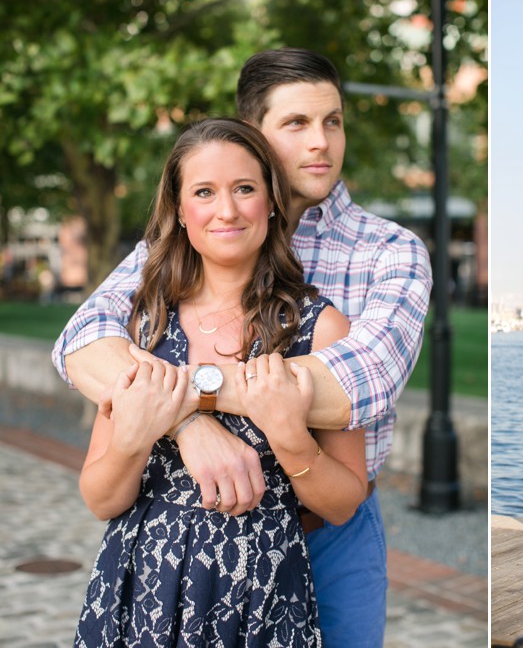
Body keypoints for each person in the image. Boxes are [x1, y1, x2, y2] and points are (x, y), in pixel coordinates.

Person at [53, 48, 433, 647]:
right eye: (297, 124)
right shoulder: (173, 256)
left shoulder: (390, 250)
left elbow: (363, 382)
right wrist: (186, 426)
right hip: (160, 552)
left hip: (325, 530)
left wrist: (180, 393)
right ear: (249, 134)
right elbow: (83, 340)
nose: (321, 143)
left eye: (333, 121)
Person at [74, 118, 368, 645]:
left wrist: (290, 436)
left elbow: (345, 501)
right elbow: (100, 498)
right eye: (204, 192)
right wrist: (141, 435)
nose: (227, 210)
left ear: (272, 202)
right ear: (181, 213)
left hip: (261, 594)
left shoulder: (320, 327)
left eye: (245, 189)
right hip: (144, 584)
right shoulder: (142, 324)